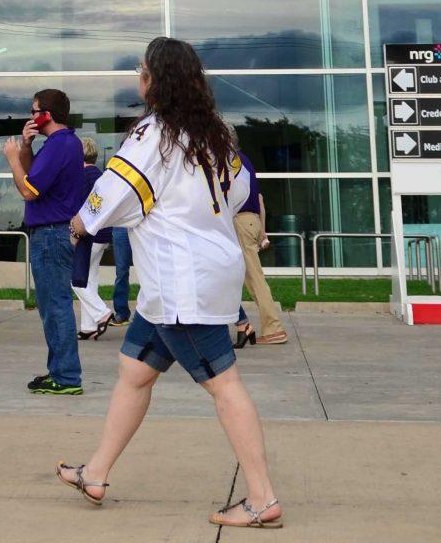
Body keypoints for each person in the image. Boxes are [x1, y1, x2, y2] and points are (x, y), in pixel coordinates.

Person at [61, 37, 283, 530]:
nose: (138, 77)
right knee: (134, 370)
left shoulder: (153, 134)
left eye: (142, 70)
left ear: (153, 81)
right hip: (195, 278)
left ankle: (262, 497)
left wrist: (82, 223)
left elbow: (116, 190)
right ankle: (95, 473)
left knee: (225, 385)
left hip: (181, 286)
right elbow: (239, 191)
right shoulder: (218, 133)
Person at [3, 88, 85, 396]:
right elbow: (33, 174)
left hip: (50, 234)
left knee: (56, 307)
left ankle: (65, 376)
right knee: (53, 306)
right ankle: (60, 372)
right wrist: (26, 145)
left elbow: (28, 190)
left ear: (46, 115)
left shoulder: (60, 145)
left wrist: (12, 159)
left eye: (34, 110)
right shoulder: (61, 144)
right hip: (53, 231)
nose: (30, 116)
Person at [234, 151, 288, 347]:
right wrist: (262, 231)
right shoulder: (245, 161)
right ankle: (243, 324)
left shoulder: (230, 160)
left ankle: (274, 329)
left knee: (254, 279)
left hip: (240, 221)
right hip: (252, 221)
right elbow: (260, 199)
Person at [73, 137, 113, 341]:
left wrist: (75, 232)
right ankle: (88, 326)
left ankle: (102, 313)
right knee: (90, 279)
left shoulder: (83, 176)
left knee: (76, 279)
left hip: (89, 234)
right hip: (104, 233)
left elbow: (81, 207)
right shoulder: (100, 175)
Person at [110, 226, 133, 327]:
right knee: (121, 271)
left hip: (143, 223)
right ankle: (121, 313)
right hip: (121, 226)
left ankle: (146, 315)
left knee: (146, 270)